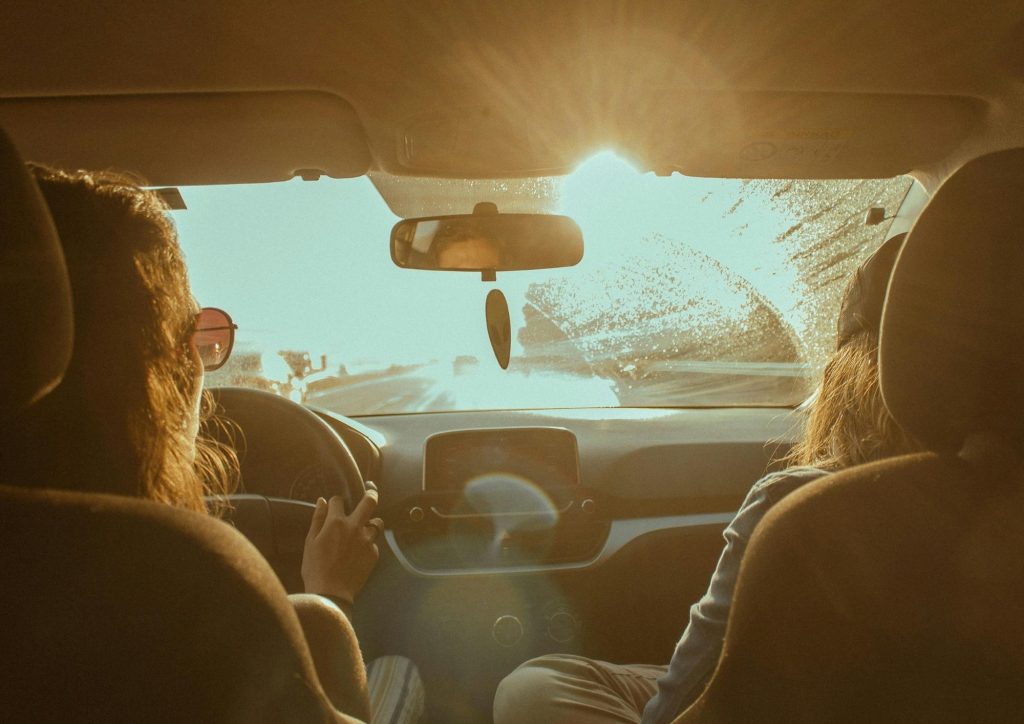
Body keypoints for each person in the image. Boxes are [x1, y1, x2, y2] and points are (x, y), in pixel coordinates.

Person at [1, 166, 423, 724]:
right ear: (168, 368)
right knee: (398, 673)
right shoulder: (199, 582)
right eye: (192, 337)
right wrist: (329, 601)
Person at [493, 232, 917, 724]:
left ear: (848, 375)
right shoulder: (986, 505)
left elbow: (676, 709)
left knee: (532, 689)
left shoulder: (799, 506)